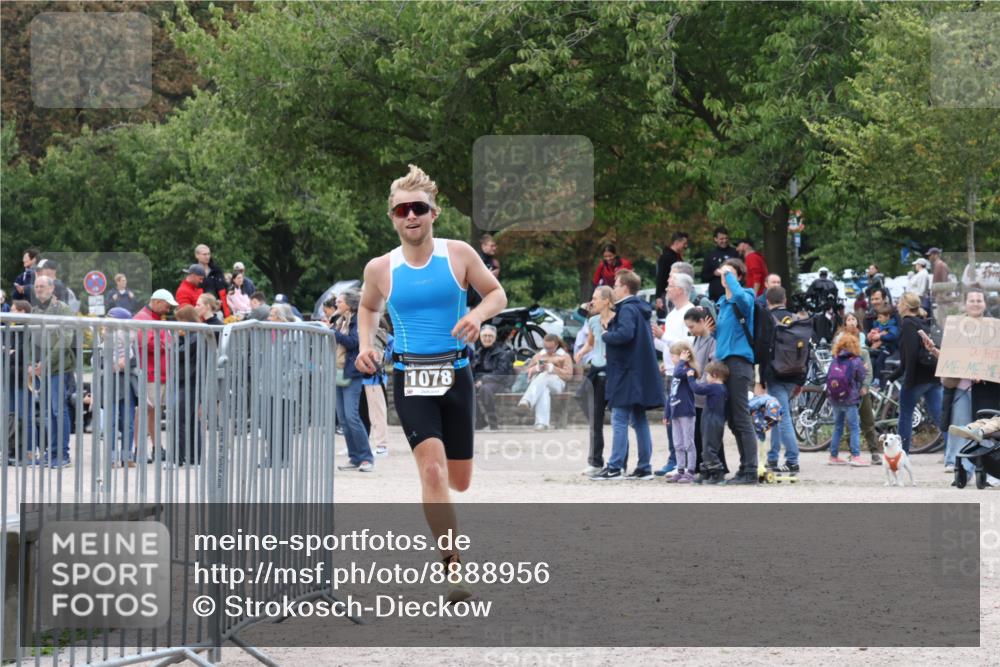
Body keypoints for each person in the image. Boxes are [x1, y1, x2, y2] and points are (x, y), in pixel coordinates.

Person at [354, 164, 506, 602]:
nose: (410, 216)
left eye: (418, 208)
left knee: (460, 480)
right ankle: (453, 568)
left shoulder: (458, 254)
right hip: (411, 376)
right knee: (433, 471)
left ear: (433, 213)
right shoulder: (381, 268)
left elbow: (497, 294)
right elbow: (368, 309)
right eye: (401, 210)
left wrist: (477, 315)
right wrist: (366, 344)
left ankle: (446, 511)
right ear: (392, 217)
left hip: (456, 374)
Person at [591, 269, 663, 481]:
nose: (613, 288)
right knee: (638, 419)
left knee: (619, 418)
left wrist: (606, 334)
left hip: (626, 372)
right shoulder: (638, 308)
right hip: (636, 372)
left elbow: (625, 334)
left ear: (624, 287)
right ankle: (644, 467)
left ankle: (614, 467)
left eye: (615, 285)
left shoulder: (627, 309)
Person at [712, 258, 759, 484]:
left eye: (730, 273)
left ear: (739, 277)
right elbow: (723, 336)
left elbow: (739, 295)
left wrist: (728, 274)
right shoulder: (722, 303)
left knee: (741, 417)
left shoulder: (746, 296)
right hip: (724, 364)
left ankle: (750, 470)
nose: (725, 276)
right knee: (732, 419)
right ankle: (744, 468)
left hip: (739, 363)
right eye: (723, 273)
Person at [29, 275, 77, 467]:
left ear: (51, 289)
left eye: (42, 286)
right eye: (36, 286)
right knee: (49, 412)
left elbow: (66, 340)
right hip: (43, 369)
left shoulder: (62, 308)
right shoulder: (34, 310)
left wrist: (46, 363)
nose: (38, 289)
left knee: (59, 410)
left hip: (59, 368)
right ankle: (52, 452)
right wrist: (31, 362)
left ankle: (63, 454)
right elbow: (31, 340)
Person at [651, 273, 695, 476]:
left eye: (670, 285)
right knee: (671, 418)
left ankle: (683, 462)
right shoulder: (671, 315)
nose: (667, 289)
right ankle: (674, 458)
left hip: (684, 374)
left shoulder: (690, 312)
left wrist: (664, 336)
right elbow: (669, 345)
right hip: (671, 371)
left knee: (682, 420)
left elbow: (687, 345)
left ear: (681, 290)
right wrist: (655, 339)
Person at [888, 292, 942, 454]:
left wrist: (907, 380)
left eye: (899, 302)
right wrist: (894, 376)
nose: (897, 306)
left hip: (916, 378)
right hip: (932, 375)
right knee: (940, 416)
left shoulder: (907, 323)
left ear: (905, 305)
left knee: (905, 415)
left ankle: (902, 453)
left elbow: (910, 355)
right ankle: (954, 454)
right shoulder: (923, 322)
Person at [758, 287, 803, 473]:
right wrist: (801, 380)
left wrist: (761, 379)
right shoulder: (796, 319)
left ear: (767, 301)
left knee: (782, 417)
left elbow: (762, 349)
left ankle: (792, 460)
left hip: (775, 375)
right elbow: (805, 350)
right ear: (785, 299)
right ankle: (773, 456)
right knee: (776, 414)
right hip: (794, 374)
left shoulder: (767, 318)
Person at [330, 289, 374, 472]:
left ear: (350, 304)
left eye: (340, 301)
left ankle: (366, 458)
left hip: (351, 372)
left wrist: (334, 333)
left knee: (352, 417)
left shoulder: (358, 321)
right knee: (343, 419)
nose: (336, 304)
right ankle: (355, 457)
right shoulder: (339, 320)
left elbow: (354, 342)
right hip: (338, 372)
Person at [133, 289, 178, 464]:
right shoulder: (143, 318)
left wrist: (166, 342)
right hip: (151, 373)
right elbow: (149, 343)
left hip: (159, 373)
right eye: (167, 305)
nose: (168, 309)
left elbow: (162, 342)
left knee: (153, 411)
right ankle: (140, 448)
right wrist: (167, 342)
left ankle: (155, 446)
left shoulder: (154, 318)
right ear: (157, 302)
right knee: (145, 411)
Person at [683, 307, 729, 474]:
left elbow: (714, 364)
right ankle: (700, 465)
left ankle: (715, 466)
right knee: (698, 432)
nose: (690, 331)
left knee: (709, 435)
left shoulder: (712, 340)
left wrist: (698, 384)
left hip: (705, 392)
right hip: (698, 392)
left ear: (702, 322)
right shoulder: (697, 339)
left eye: (692, 326)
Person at [574, 285, 614, 475]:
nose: (592, 302)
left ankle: (615, 463)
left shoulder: (617, 319)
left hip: (612, 371)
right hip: (596, 370)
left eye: (595, 298)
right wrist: (581, 353)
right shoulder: (593, 321)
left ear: (606, 301)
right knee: (581, 397)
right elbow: (590, 344)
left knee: (619, 420)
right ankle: (595, 462)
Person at [837, 313, 881, 464]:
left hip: (862, 391)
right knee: (850, 423)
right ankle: (853, 452)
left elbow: (869, 373)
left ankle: (874, 451)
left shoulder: (864, 353)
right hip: (847, 392)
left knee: (868, 421)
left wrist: (865, 386)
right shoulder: (840, 356)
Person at [825, 333, 869, 466]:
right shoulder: (855, 361)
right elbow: (861, 377)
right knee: (854, 427)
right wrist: (864, 369)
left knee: (838, 427)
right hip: (850, 399)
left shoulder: (835, 359)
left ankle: (833, 456)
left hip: (835, 399)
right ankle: (856, 456)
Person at [518, 334, 573, 431]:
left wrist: (553, 368)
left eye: (550, 348)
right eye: (545, 347)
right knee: (544, 390)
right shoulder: (539, 355)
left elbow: (568, 375)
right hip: (540, 385)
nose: (548, 350)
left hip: (558, 383)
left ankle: (527, 400)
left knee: (545, 375)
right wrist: (536, 368)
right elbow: (527, 371)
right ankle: (541, 424)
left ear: (556, 345)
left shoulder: (564, 356)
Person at [664, 340, 698, 483]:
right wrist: (667, 414)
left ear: (683, 355)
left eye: (674, 356)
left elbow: (678, 373)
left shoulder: (688, 371)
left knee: (688, 443)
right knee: (677, 443)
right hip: (675, 412)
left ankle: (690, 471)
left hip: (686, 412)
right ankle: (680, 470)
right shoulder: (677, 372)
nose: (671, 358)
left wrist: (682, 361)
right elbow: (671, 395)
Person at [690, 361, 729, 484]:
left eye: (707, 375)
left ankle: (717, 473)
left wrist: (690, 378)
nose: (706, 377)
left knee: (709, 448)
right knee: (707, 446)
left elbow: (697, 389)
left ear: (714, 375)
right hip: (716, 420)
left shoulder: (715, 387)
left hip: (711, 420)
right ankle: (706, 471)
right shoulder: (723, 388)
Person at [472, 324, 514, 431]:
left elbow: (502, 373)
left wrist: (483, 380)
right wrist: (475, 381)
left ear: (494, 338)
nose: (487, 338)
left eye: (490, 336)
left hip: (499, 383)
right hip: (481, 382)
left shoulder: (502, 353)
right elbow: (473, 371)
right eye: (485, 336)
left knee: (485, 389)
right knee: (468, 390)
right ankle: (480, 421)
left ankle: (493, 423)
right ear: (480, 337)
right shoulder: (478, 353)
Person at [700, 226, 740, 302]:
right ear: (715, 239)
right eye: (721, 239)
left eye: (726, 238)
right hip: (715, 295)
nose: (724, 241)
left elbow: (741, 271)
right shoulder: (710, 255)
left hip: (732, 292)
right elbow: (703, 276)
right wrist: (714, 273)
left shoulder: (734, 253)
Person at [654, 231, 689, 316]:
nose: (686, 246)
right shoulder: (666, 257)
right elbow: (660, 277)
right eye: (684, 243)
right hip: (667, 294)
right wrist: (658, 297)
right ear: (677, 242)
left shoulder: (677, 257)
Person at [194, 244, 231, 319]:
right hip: (202, 313)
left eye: (209, 254)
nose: (207, 256)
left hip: (219, 311)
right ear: (197, 255)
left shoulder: (217, 271)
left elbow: (225, 290)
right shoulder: (193, 273)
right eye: (204, 254)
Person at [467, 234, 501, 309]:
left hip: (490, 300)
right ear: (484, 246)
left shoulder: (494, 262)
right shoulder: (477, 260)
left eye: (495, 246)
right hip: (476, 302)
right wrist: (488, 276)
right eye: (492, 246)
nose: (494, 248)